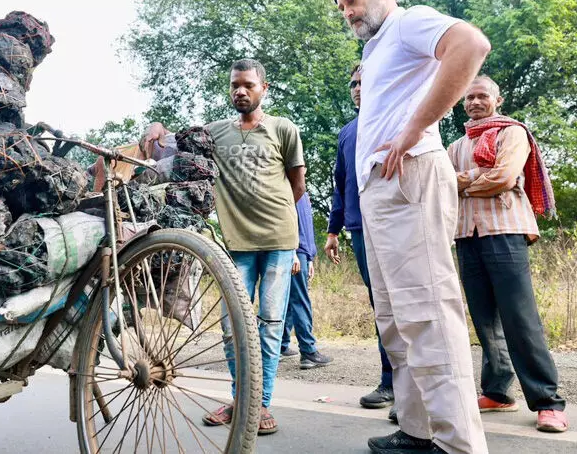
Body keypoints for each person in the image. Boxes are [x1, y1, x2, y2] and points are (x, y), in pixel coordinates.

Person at [333, 0, 492, 452]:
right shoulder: (376, 48)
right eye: (341, 7)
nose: (348, 12)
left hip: (411, 178)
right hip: (381, 191)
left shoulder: (408, 21)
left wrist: (414, 128)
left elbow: (471, 44)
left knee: (427, 312)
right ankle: (420, 431)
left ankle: (458, 445)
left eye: (354, 0)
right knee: (396, 319)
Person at [141, 58, 306, 435]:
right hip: (236, 244)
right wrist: (155, 128)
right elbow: (167, 149)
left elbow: (298, 185)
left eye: (248, 84)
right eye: (235, 85)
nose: (240, 91)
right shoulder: (214, 133)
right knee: (233, 326)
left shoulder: (283, 129)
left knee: (268, 325)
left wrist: (290, 233)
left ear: (265, 88)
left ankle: (259, 404)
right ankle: (241, 399)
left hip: (279, 242)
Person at [448, 75, 567, 433]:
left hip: (506, 232)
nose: (474, 102)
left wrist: (464, 183)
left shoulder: (511, 133)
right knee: (484, 320)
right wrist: (477, 179)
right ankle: (498, 392)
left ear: (497, 100)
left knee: (520, 320)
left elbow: (505, 176)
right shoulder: (455, 146)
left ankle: (548, 401)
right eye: (468, 97)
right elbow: (442, 183)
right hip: (467, 236)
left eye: (482, 96)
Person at [325, 64, 395, 412]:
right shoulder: (347, 132)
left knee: (406, 304)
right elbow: (341, 183)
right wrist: (333, 229)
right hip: (359, 227)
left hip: (395, 222)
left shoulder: (395, 119)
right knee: (381, 305)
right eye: (352, 83)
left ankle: (420, 390)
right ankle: (390, 383)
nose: (356, 88)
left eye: (363, 83)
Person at [280, 192, 333, 369]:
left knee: (288, 301)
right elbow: (286, 223)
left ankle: (280, 344)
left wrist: (309, 257)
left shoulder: (304, 194)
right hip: (294, 250)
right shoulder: (290, 188)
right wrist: (295, 252)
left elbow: (306, 227)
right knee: (300, 300)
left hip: (302, 252)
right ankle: (308, 351)